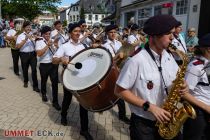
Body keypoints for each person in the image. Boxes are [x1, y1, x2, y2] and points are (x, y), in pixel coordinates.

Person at [114, 15, 187, 140]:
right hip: (144, 125)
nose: (172, 37)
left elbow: (177, 80)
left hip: (168, 120)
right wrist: (150, 107)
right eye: (168, 33)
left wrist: (184, 87)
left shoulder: (169, 57)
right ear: (154, 36)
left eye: (173, 33)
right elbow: (119, 91)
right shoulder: (136, 61)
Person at [52, 23, 93, 140]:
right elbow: (53, 60)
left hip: (82, 78)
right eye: (75, 31)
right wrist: (61, 59)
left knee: (83, 103)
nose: (78, 33)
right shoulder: (64, 46)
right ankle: (63, 115)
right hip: (69, 77)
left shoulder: (84, 46)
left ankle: (84, 130)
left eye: (79, 31)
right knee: (67, 99)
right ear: (70, 33)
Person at [182, 33, 210, 140]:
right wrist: (206, 108)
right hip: (199, 112)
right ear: (208, 49)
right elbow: (184, 94)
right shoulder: (195, 67)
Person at [101, 24, 130, 124]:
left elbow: (125, 55)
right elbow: (106, 61)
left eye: (114, 32)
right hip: (111, 71)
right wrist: (117, 56)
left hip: (120, 70)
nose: (113, 34)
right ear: (107, 34)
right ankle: (122, 115)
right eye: (111, 32)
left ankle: (122, 114)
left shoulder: (118, 43)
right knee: (118, 93)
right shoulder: (105, 45)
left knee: (117, 91)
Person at [35, 26, 61, 110]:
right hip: (44, 65)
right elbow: (39, 53)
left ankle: (55, 102)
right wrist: (47, 46)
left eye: (49, 34)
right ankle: (43, 94)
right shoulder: (39, 41)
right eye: (46, 34)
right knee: (44, 81)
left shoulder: (52, 40)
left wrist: (56, 46)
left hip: (53, 64)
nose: (48, 35)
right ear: (42, 34)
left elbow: (57, 52)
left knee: (54, 84)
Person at [16, 21, 40, 92]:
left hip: (32, 54)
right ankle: (25, 81)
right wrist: (26, 39)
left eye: (29, 27)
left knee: (34, 70)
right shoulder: (20, 36)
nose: (29, 28)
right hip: (24, 55)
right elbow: (17, 47)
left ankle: (35, 86)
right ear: (24, 28)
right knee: (25, 69)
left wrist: (34, 39)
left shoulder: (33, 35)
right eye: (27, 27)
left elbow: (36, 45)